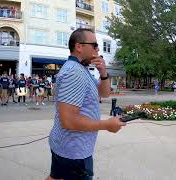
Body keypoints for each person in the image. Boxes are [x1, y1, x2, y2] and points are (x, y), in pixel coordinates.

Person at [47, 28, 125, 180]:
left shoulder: (81, 69)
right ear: (79, 47)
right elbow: (68, 120)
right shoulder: (74, 72)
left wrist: (103, 73)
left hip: (66, 145)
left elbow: (104, 93)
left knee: (55, 177)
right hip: (74, 151)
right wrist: (107, 125)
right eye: (94, 45)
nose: (98, 49)